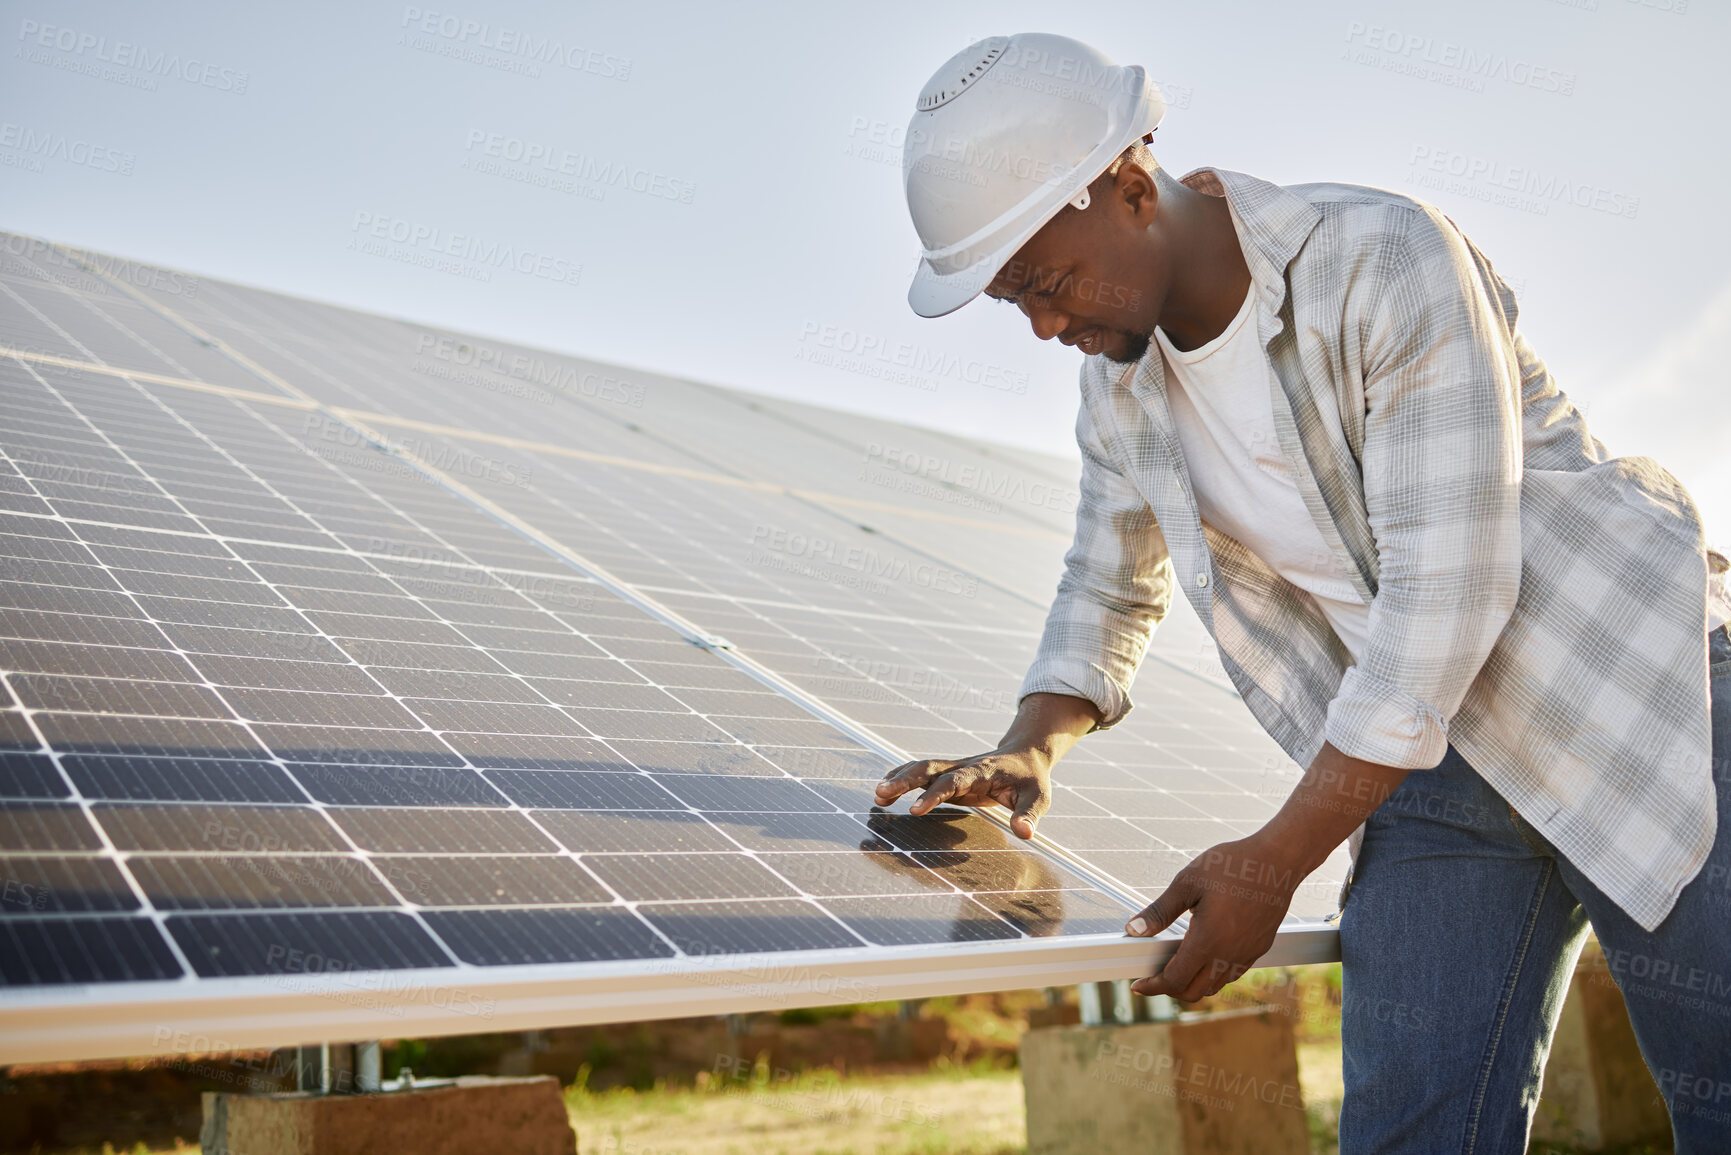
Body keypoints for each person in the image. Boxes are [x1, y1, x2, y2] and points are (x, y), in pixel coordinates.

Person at [872, 32, 1731, 1152]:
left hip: (1633, 691)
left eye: (1046, 282)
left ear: (1131, 187)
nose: (1043, 324)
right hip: (1427, 761)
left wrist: (1275, 859)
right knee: (1411, 1124)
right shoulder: (1120, 392)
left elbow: (1449, 594)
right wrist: (1032, 745)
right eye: (1010, 303)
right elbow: (1105, 581)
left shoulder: (1383, 258)